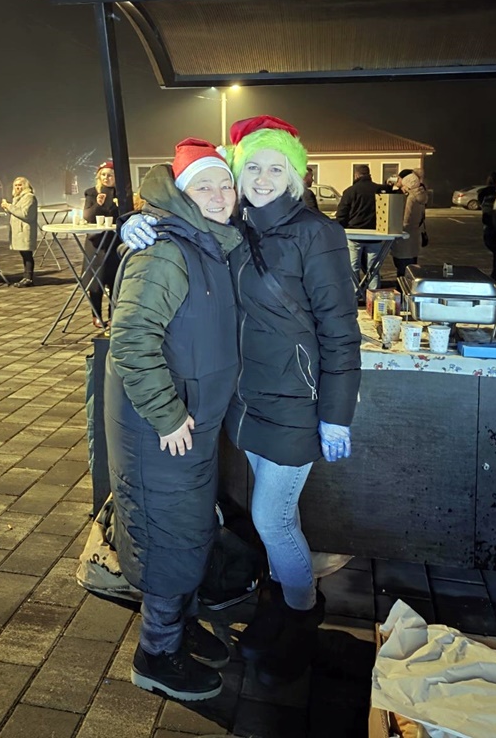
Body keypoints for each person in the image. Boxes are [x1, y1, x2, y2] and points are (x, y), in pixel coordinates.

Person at [123, 115, 361, 687]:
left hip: (294, 403)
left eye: (276, 168)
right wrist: (138, 223)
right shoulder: (235, 227)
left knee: (272, 519)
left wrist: (337, 413)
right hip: (242, 406)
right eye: (250, 167)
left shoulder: (318, 234)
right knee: (271, 518)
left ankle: (299, 619)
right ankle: (277, 605)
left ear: (296, 177)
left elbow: (340, 329)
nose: (261, 179)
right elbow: (182, 235)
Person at [105, 138, 241, 701]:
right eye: (204, 186)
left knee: (188, 528)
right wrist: (166, 415)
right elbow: (131, 340)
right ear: (181, 194)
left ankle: (179, 626)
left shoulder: (208, 240)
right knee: (166, 535)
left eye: (225, 184)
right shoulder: (164, 250)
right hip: (162, 426)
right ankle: (156, 654)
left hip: (191, 421)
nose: (220, 195)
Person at [336, 164, 387, 295]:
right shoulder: (379, 190)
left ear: (356, 175)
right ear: (369, 174)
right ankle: (373, 295)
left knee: (353, 267)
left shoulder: (350, 191)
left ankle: (354, 294)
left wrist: (342, 227)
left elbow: (341, 214)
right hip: (375, 235)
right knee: (373, 268)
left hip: (354, 235)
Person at [82, 160, 120, 328]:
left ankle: (113, 315)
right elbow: (87, 216)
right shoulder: (91, 193)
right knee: (95, 281)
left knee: (114, 279)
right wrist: (98, 204)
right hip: (96, 243)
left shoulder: (122, 193)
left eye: (110, 175)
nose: (106, 178)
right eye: (103, 175)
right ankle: (96, 315)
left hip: (115, 241)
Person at [390, 168, 428, 278]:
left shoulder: (410, 197)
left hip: (404, 239)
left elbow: (406, 219)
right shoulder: (420, 194)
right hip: (414, 238)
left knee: (403, 271)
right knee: (411, 269)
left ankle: (402, 288)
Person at [1, 177, 38, 287]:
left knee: (27, 254)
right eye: (16, 185)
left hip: (24, 230)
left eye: (20, 185)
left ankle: (28, 278)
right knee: (24, 254)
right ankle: (26, 277)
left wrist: (9, 206)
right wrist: (7, 208)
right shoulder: (17, 198)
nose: (18, 187)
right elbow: (16, 212)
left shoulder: (29, 197)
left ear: (25, 186)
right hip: (18, 230)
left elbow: (25, 214)